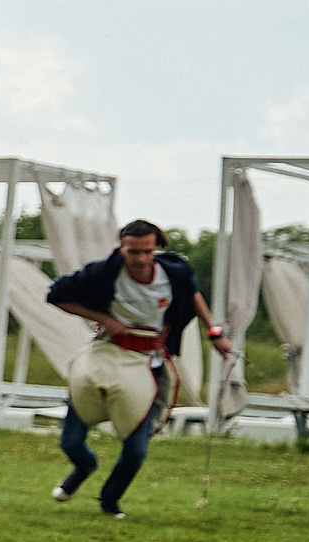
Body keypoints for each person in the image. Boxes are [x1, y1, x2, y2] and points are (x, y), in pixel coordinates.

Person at [46, 220, 231, 519]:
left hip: (148, 363)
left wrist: (214, 331)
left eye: (147, 251)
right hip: (105, 355)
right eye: (134, 252)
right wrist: (104, 319)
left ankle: (109, 500)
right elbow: (56, 295)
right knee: (71, 442)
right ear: (122, 248)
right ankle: (84, 466)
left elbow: (192, 293)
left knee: (136, 450)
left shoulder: (175, 273)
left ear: (156, 248)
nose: (141, 259)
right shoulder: (102, 272)